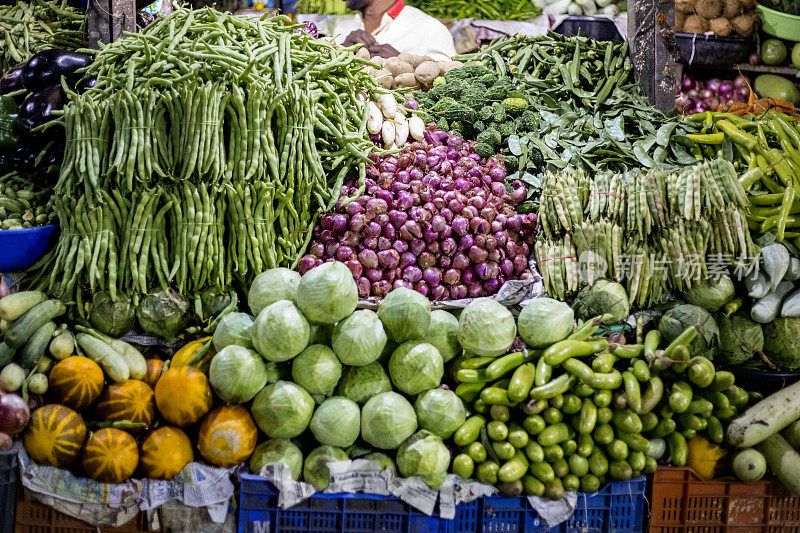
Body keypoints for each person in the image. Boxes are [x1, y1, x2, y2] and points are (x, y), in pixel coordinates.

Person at [332, 0, 456, 60]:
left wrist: (406, 66)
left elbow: (449, 90)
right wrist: (338, 53)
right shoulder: (342, 29)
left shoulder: (430, 30)